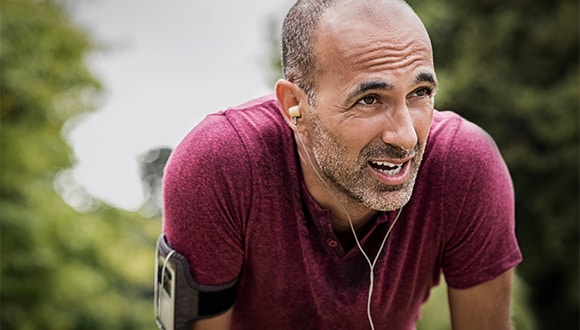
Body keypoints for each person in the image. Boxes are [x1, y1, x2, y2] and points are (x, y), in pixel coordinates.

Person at [161, 0, 522, 329]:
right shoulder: (220, 165)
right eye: (369, 99)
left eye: (420, 93)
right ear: (294, 107)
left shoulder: (464, 166)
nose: (406, 137)